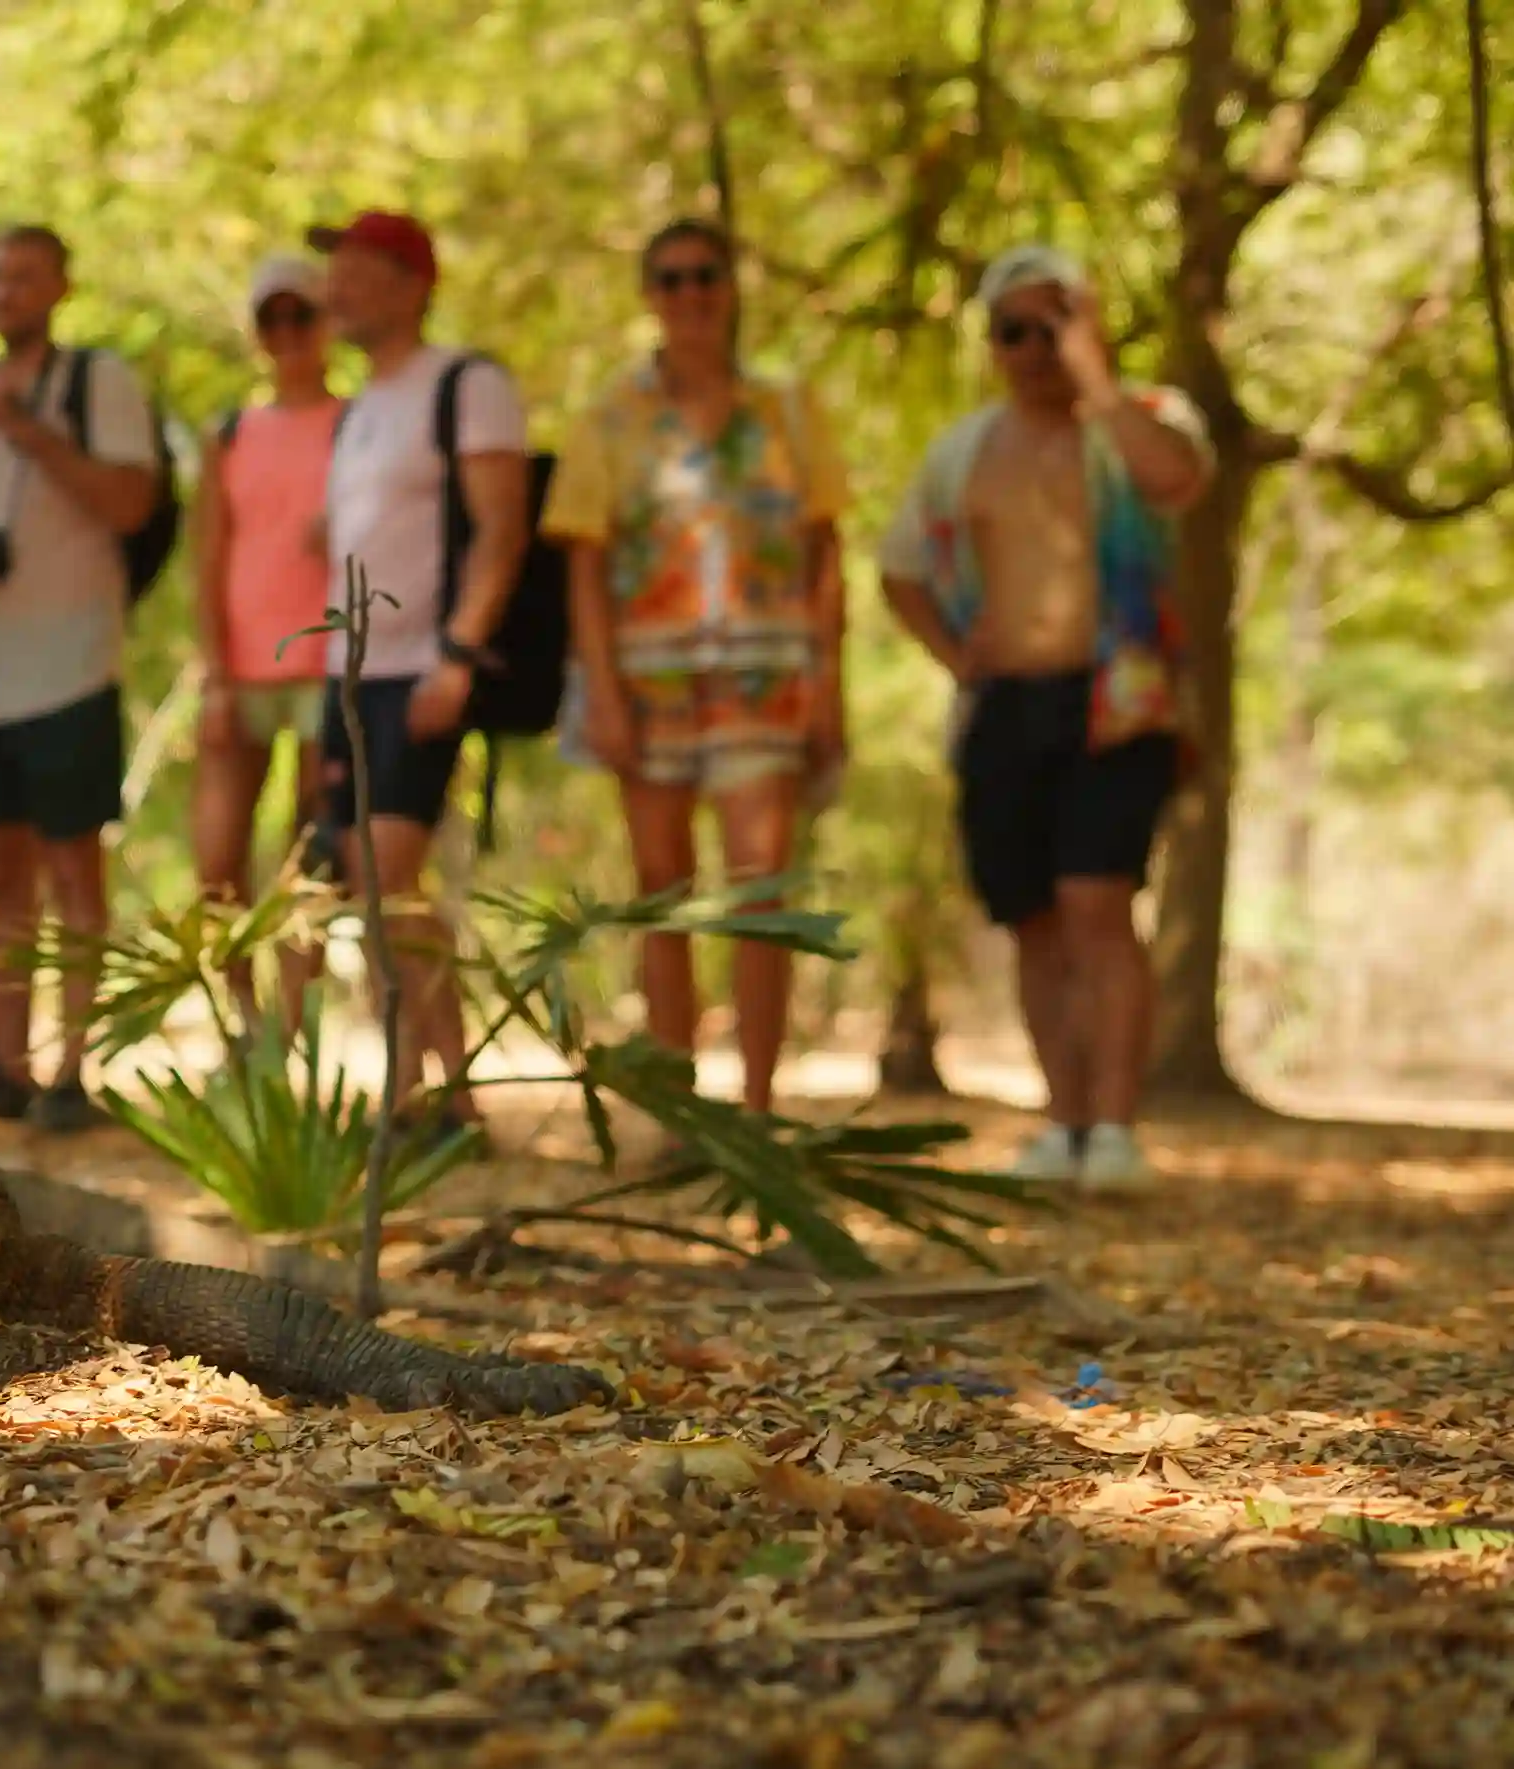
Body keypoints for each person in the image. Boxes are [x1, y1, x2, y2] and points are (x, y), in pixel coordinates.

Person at [880, 244, 1211, 1188]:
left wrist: (1097, 382)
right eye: (1012, 330)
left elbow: (1178, 484)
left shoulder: (1145, 421)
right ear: (991, 342)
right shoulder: (960, 452)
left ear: (1089, 323)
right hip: (1004, 707)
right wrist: (954, 654)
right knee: (1032, 919)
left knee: (1098, 903)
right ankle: (1062, 1125)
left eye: (1052, 323)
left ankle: (1115, 1129)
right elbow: (897, 570)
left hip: (1121, 700)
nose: (1033, 347)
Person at [541, 219, 850, 1116]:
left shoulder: (788, 409)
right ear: (650, 294)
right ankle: (678, 1111)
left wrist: (830, 687)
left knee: (760, 897)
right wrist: (599, 691)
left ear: (731, 286)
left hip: (768, 681)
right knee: (660, 896)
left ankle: (757, 1109)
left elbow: (827, 553)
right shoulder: (610, 417)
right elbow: (586, 563)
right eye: (671, 280)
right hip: (647, 686)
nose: (691, 295)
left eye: (706, 276)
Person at [309, 208, 535, 1131]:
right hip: (345, 671)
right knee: (368, 882)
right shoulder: (358, 407)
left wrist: (459, 652)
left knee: (389, 871)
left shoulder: (468, 385)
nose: (337, 285)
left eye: (358, 266)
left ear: (411, 282)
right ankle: (448, 1092)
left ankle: (418, 1087)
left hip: (424, 666)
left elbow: (502, 526)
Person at [0, 225, 159, 1131]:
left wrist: (29, 431)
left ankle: (76, 1069)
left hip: (70, 660)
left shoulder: (97, 381)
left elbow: (130, 502)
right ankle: (5, 1062)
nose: (6, 290)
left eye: (24, 275)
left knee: (74, 865)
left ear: (62, 285)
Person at [189, 254, 341, 1012]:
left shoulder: (357, 424)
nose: (287, 333)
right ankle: (240, 1019)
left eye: (301, 316)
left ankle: (298, 1023)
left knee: (309, 854)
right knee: (217, 856)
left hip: (327, 658)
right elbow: (207, 557)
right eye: (272, 319)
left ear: (328, 323)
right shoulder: (231, 432)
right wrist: (213, 669)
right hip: (242, 666)